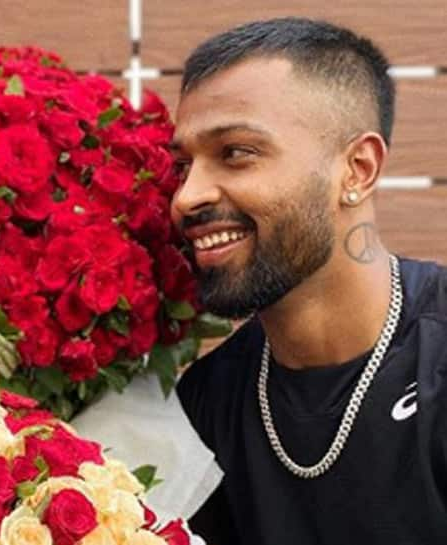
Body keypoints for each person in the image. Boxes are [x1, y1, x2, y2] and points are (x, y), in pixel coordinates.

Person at [170, 17, 447, 545]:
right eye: (182, 164)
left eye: (235, 152)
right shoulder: (208, 400)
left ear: (357, 169)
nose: (186, 197)